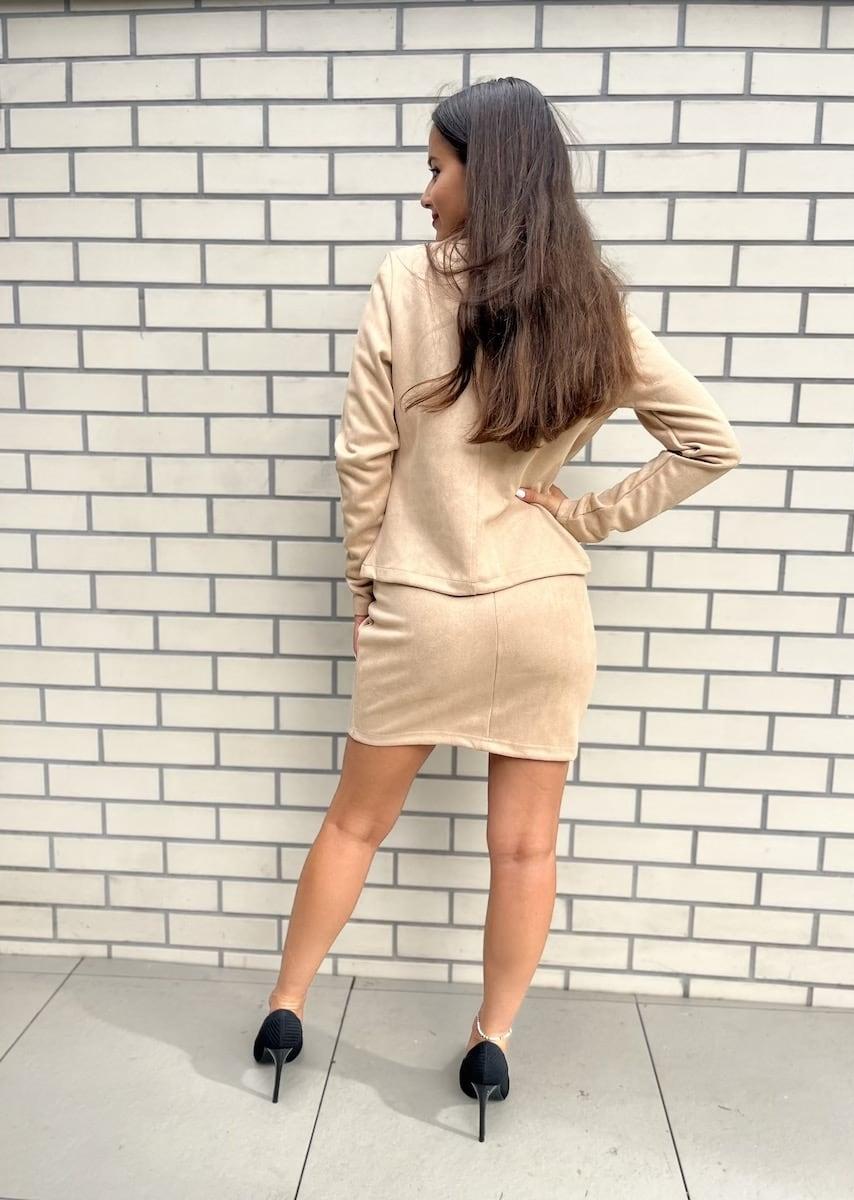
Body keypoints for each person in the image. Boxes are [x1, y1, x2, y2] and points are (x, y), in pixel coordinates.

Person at [252, 77, 742, 1134]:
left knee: (354, 822)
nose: (425, 191)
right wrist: (581, 518)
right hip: (541, 612)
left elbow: (363, 456)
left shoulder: (403, 282)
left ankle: (286, 1009)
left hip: (421, 602)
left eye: (436, 168)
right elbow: (710, 442)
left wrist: (365, 581)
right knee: (524, 849)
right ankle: (492, 1045)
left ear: (489, 173)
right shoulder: (593, 305)